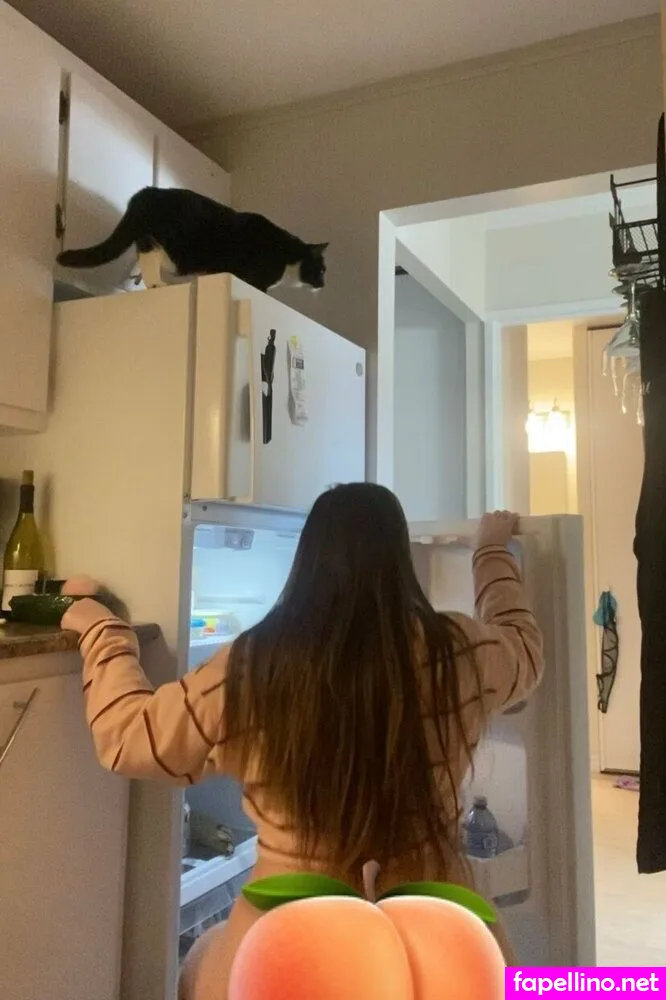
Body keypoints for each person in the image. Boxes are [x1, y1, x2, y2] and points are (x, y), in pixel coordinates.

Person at [61, 484, 544, 997]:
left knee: (201, 961)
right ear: (399, 561)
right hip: (439, 928)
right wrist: (491, 552)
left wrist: (103, 630)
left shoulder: (255, 665)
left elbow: (130, 738)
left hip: (288, 934)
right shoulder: (457, 651)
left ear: (308, 560)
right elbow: (524, 647)